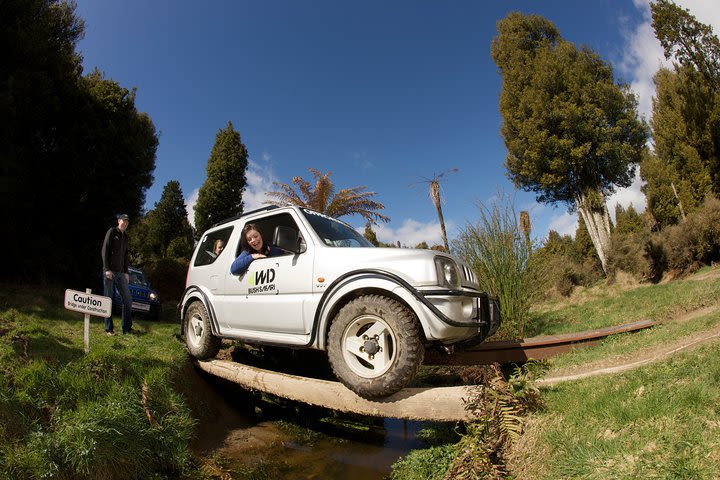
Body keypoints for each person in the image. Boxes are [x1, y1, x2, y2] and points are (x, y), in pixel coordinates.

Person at [101, 214, 135, 335]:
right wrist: (106, 269)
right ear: (118, 221)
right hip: (110, 272)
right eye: (123, 221)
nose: (125, 223)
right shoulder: (112, 232)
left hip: (121, 273)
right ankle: (108, 329)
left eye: (127, 222)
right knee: (108, 300)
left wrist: (126, 272)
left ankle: (127, 328)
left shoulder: (125, 237)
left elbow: (125, 256)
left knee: (128, 299)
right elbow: (104, 250)